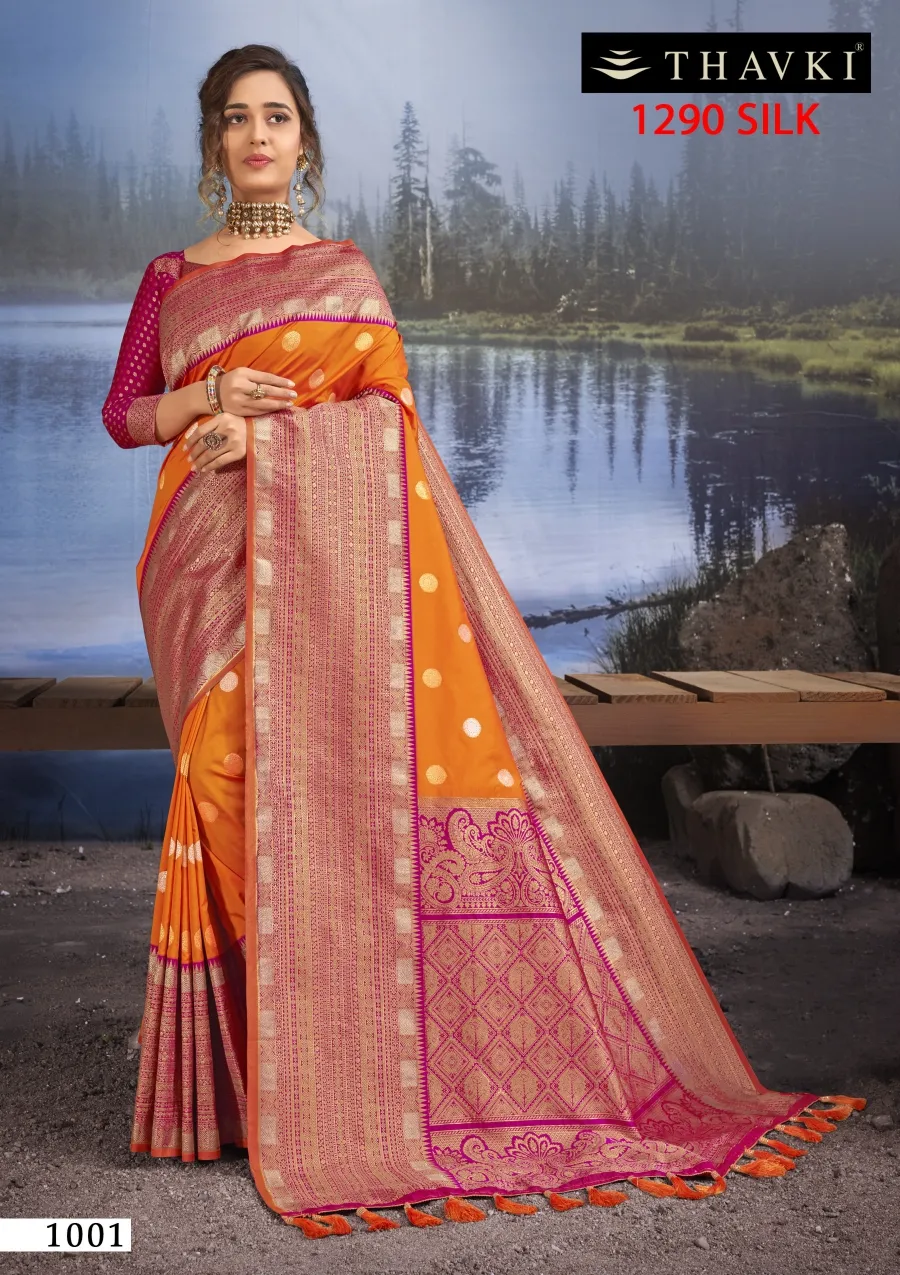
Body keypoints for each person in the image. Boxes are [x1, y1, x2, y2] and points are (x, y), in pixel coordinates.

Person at [102, 43, 859, 1238]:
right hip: (202, 563)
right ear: (212, 142)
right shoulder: (171, 276)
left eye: (277, 117)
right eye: (236, 119)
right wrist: (205, 404)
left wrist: (268, 442)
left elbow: (390, 425)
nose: (257, 136)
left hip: (321, 557)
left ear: (304, 141)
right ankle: (266, 1067)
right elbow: (122, 412)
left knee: (309, 779)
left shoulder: (344, 274)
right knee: (217, 766)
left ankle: (328, 1063)